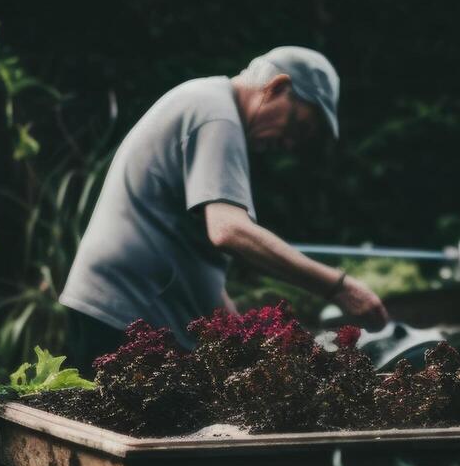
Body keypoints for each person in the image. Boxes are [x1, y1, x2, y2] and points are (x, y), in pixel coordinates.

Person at [59, 46, 389, 370]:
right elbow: (229, 231)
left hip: (117, 313)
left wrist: (246, 337)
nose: (289, 144)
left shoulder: (208, 105)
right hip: (120, 317)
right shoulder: (217, 114)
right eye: (296, 126)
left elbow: (192, 253)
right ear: (278, 87)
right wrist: (338, 287)